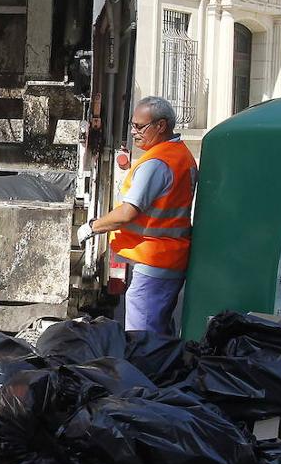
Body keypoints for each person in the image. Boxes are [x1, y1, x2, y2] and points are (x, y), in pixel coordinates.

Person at [78, 96, 197, 335]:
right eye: (132, 125)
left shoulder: (157, 164)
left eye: (139, 126)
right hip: (168, 259)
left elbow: (128, 213)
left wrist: (93, 226)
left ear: (161, 126)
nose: (133, 132)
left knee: (141, 339)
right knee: (158, 332)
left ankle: (144, 373)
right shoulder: (182, 155)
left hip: (153, 260)